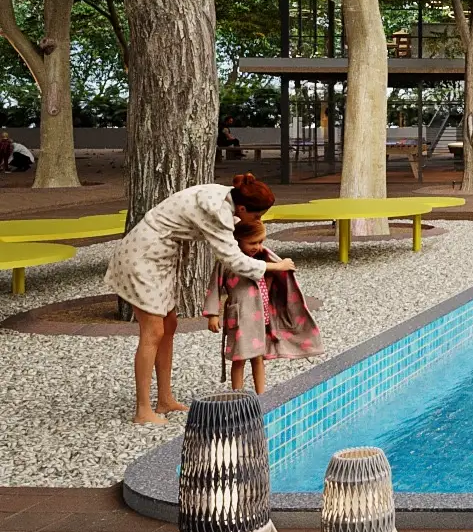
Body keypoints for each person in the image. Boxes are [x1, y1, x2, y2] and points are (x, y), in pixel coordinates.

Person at [105, 173, 297, 424]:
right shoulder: (218, 212)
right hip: (142, 257)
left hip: (160, 257)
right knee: (153, 331)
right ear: (242, 209)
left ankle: (164, 399)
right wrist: (275, 266)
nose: (258, 221)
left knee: (169, 324)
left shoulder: (225, 195)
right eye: (257, 216)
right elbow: (233, 260)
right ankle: (143, 410)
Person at [205, 217, 321, 394]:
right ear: (238, 240)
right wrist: (212, 314)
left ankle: (261, 394)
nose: (258, 247)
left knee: (258, 357)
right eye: (253, 242)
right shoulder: (227, 260)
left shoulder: (261, 257)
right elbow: (215, 286)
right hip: (241, 317)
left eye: (261, 242)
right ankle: (238, 395)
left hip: (260, 316)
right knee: (239, 358)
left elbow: (266, 275)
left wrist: (279, 269)